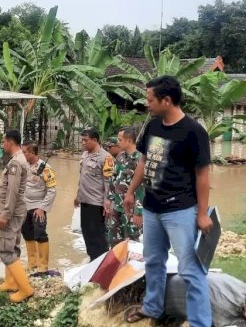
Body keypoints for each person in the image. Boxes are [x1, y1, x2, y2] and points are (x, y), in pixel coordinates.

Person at [123, 76, 213, 326]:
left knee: (190, 270)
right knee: (153, 260)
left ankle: (199, 323)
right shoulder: (152, 126)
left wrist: (202, 213)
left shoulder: (194, 132)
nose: (147, 104)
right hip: (152, 207)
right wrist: (131, 192)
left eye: (150, 100)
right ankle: (153, 307)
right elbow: (144, 161)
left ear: (167, 100)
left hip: (181, 210)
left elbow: (203, 174)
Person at [0, 129, 34, 302]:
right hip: (17, 211)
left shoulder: (16, 163)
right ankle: (11, 282)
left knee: (5, 249)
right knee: (13, 246)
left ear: (10, 142)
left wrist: (5, 215)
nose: (3, 145)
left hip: (12, 212)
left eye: (4, 142)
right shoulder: (19, 160)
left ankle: (25, 289)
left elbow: (12, 191)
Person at [75, 128, 114, 261]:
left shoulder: (106, 158)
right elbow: (82, 177)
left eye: (86, 140)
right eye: (82, 140)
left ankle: (101, 261)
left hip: (97, 203)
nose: (83, 143)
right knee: (86, 232)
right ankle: (92, 260)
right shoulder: (85, 155)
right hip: (85, 201)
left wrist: (107, 202)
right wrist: (77, 196)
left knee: (97, 235)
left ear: (95, 140)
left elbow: (109, 182)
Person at [20, 141, 57, 273]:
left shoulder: (45, 168)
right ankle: (32, 263)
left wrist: (42, 208)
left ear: (32, 153)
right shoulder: (23, 166)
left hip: (38, 207)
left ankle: (43, 267)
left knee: (40, 234)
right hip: (24, 206)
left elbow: (52, 190)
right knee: (26, 233)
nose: (22, 154)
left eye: (24, 152)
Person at [105, 126, 144, 248]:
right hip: (117, 206)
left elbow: (143, 187)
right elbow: (114, 178)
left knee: (132, 242)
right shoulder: (120, 157)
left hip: (131, 210)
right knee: (113, 239)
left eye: (120, 139)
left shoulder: (140, 160)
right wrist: (109, 199)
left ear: (129, 140)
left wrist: (139, 211)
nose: (118, 142)